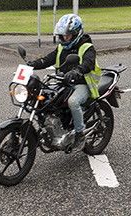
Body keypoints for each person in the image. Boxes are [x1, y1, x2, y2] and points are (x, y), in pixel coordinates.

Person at [27, 14, 101, 153]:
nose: (65, 38)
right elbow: (49, 59)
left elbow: (88, 63)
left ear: (77, 33)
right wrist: (32, 64)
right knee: (45, 100)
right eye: (63, 35)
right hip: (64, 82)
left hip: (82, 83)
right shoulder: (62, 47)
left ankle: (80, 134)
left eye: (69, 35)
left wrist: (77, 71)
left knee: (73, 102)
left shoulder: (87, 47)